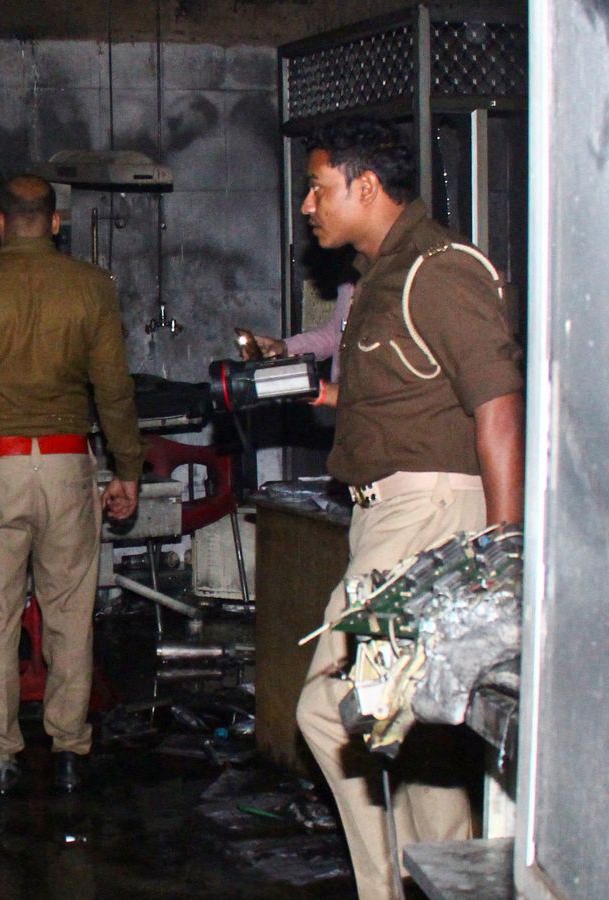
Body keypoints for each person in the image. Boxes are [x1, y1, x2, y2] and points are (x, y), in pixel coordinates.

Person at [290, 118, 523, 900]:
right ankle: (446, 886)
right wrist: (313, 392)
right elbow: (399, 398)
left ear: (365, 185)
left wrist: (500, 555)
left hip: (426, 518)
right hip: (390, 513)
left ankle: (383, 889)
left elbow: (497, 407)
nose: (306, 205)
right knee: (415, 728)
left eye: (318, 187)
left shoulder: (437, 268)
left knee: (334, 708)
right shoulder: (382, 275)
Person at [0, 174, 143, 793]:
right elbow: (115, 391)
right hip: (69, 465)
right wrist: (127, 469)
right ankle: (70, 750)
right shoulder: (92, 287)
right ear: (54, 223)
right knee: (71, 612)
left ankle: (1, 752)